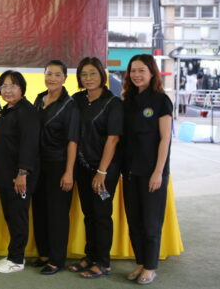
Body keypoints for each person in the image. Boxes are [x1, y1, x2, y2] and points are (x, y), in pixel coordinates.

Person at [69, 57, 123, 279]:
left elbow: (113, 139)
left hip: (105, 169)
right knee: (89, 214)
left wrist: (101, 172)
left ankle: (103, 262)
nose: (88, 78)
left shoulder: (113, 103)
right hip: (82, 166)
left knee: (101, 215)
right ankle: (90, 256)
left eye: (92, 73)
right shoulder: (77, 100)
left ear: (102, 75)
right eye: (84, 74)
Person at [122, 54, 173, 285]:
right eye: (133, 70)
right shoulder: (127, 100)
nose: (136, 74)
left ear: (152, 72)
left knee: (151, 223)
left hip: (152, 172)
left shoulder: (161, 101)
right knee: (134, 222)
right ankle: (141, 262)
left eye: (141, 70)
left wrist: (158, 172)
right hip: (130, 172)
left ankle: (151, 267)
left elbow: (165, 139)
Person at [31, 60, 79, 275]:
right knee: (39, 209)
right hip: (37, 165)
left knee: (57, 214)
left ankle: (57, 260)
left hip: (58, 165)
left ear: (64, 78)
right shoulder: (39, 98)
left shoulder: (70, 105)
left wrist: (68, 172)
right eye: (49, 73)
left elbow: (72, 141)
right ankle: (44, 254)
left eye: (57, 74)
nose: (52, 78)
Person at [0, 70, 40, 274]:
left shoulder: (27, 112)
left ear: (22, 88)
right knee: (11, 216)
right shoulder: (7, 110)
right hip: (5, 175)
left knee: (18, 217)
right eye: (4, 86)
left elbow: (29, 145)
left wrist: (22, 173)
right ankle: (13, 254)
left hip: (19, 177)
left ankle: (17, 260)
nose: (7, 90)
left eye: (12, 86)